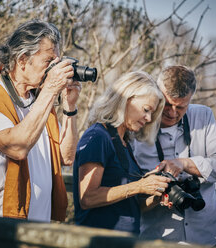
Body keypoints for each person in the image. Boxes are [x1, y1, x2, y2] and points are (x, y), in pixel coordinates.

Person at [0, 20, 81, 222]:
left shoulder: (39, 101)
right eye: (48, 61)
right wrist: (50, 90)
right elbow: (17, 147)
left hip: (37, 229)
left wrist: (70, 107)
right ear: (22, 60)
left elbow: (66, 157)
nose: (53, 69)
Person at [131, 65, 216, 246]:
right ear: (158, 93)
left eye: (181, 107)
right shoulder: (137, 124)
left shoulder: (204, 115)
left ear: (191, 98)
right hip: (157, 240)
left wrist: (184, 164)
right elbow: (128, 189)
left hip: (206, 238)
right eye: (167, 104)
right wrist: (157, 190)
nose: (172, 113)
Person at [73, 71, 172, 234]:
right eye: (146, 109)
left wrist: (155, 194)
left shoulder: (124, 143)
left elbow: (129, 206)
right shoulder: (98, 136)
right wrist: (139, 186)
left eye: (152, 113)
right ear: (126, 99)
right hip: (98, 241)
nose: (148, 118)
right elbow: (87, 198)